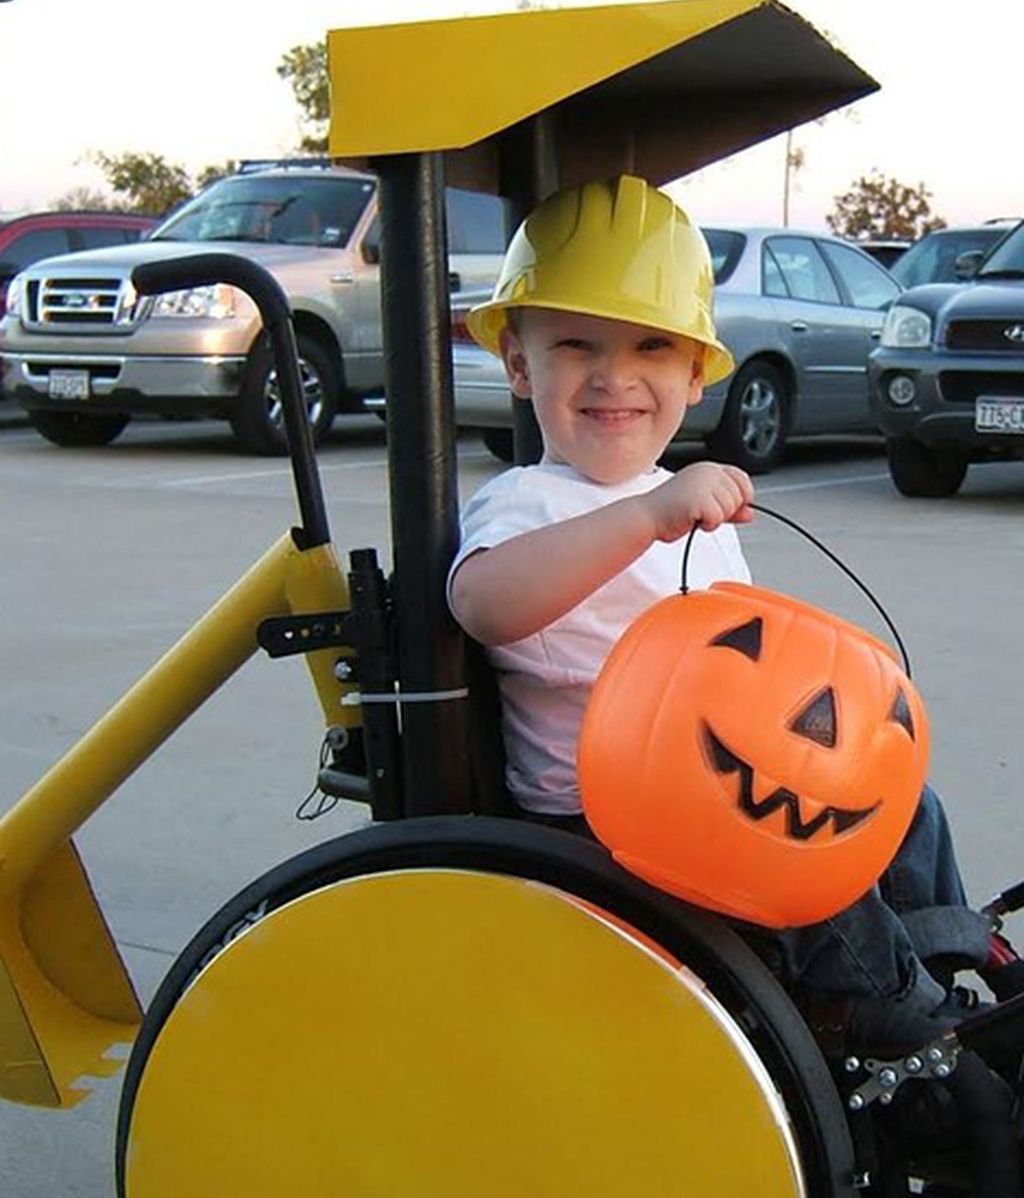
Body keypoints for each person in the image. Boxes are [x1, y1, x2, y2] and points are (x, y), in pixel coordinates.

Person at [447, 175, 1024, 1193]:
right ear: (516, 359)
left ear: (696, 374)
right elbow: (486, 604)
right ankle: (895, 1022)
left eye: (649, 348)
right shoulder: (530, 503)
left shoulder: (674, 501)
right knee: (792, 824)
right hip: (609, 825)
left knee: (891, 793)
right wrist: (648, 516)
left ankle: (942, 964)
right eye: (576, 345)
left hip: (697, 804)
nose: (612, 377)